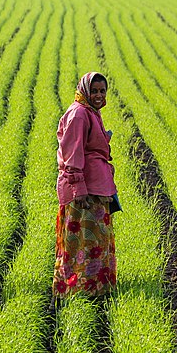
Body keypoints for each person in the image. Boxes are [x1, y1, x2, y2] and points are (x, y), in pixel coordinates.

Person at [53, 72, 119, 298]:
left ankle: (94, 288)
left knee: (95, 241)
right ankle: (77, 289)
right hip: (85, 191)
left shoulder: (91, 112)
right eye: (95, 91)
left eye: (102, 91)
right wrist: (79, 189)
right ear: (84, 91)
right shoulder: (79, 114)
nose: (99, 95)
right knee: (81, 242)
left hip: (97, 187)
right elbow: (71, 155)